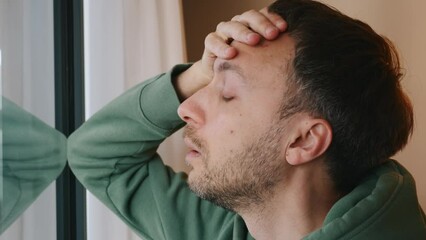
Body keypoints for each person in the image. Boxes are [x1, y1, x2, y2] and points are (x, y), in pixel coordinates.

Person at [68, 0, 426, 239]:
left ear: (303, 140)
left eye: (227, 93)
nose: (184, 109)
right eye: (208, 81)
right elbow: (95, 156)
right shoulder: (223, 227)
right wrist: (197, 73)